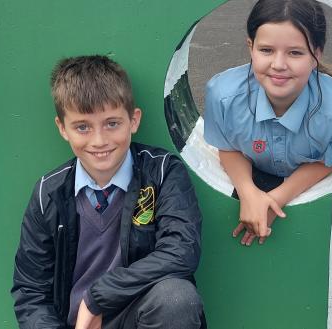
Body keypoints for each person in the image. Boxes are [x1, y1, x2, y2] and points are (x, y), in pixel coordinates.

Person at [11, 55, 204, 329]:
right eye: (82, 127)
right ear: (62, 128)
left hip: (138, 318)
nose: (99, 141)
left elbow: (181, 251)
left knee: (176, 298)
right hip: (76, 325)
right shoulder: (49, 193)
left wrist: (98, 297)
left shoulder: (161, 172)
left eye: (112, 123)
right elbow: (30, 291)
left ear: (133, 120)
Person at [203, 0, 332, 246]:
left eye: (295, 52)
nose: (278, 64)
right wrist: (248, 193)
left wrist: (274, 200)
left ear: (316, 54)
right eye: (266, 50)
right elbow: (229, 147)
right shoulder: (223, 95)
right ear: (250, 47)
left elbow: (325, 161)